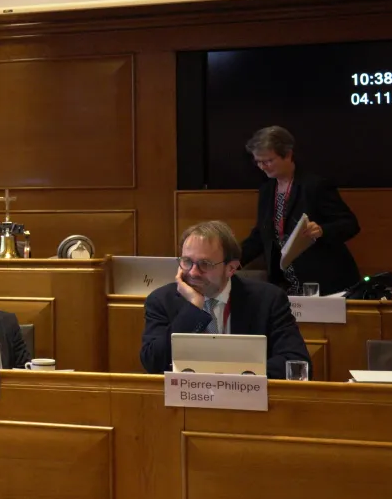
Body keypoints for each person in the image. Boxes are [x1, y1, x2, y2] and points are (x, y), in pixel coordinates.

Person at [141, 220, 310, 379]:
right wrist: (193, 308)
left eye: (205, 264)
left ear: (231, 268)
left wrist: (231, 375)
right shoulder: (161, 300)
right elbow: (153, 363)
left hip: (249, 401)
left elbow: (296, 362)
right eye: (186, 262)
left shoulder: (268, 299)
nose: (193, 272)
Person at [241, 126, 360, 295]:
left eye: (268, 161)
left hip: (324, 281)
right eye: (258, 162)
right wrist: (233, 261)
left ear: (288, 154)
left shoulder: (315, 185)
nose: (262, 167)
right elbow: (261, 234)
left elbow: (350, 224)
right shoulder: (267, 190)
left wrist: (321, 230)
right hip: (287, 283)